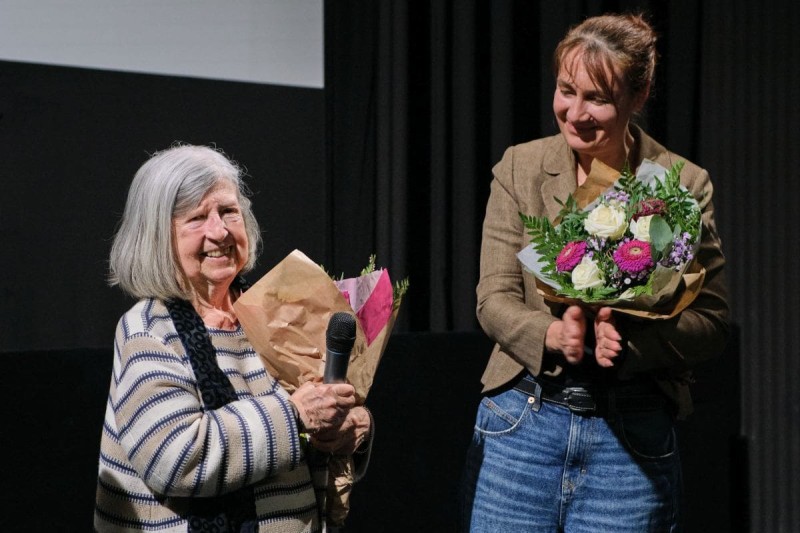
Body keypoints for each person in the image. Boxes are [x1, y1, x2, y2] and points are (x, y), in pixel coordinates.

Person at [461, 13, 729, 532]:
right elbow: (492, 298)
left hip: (630, 439)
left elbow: (711, 323)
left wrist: (631, 344)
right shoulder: (520, 167)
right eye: (567, 91)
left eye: (597, 98)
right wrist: (553, 334)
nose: (575, 113)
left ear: (639, 94)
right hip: (523, 424)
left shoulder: (681, 184)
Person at [95, 144, 372, 532]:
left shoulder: (275, 312)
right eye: (197, 218)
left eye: (228, 211)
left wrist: (349, 429)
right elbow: (177, 459)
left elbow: (311, 430)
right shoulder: (149, 331)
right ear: (157, 237)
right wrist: (296, 416)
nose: (219, 231)